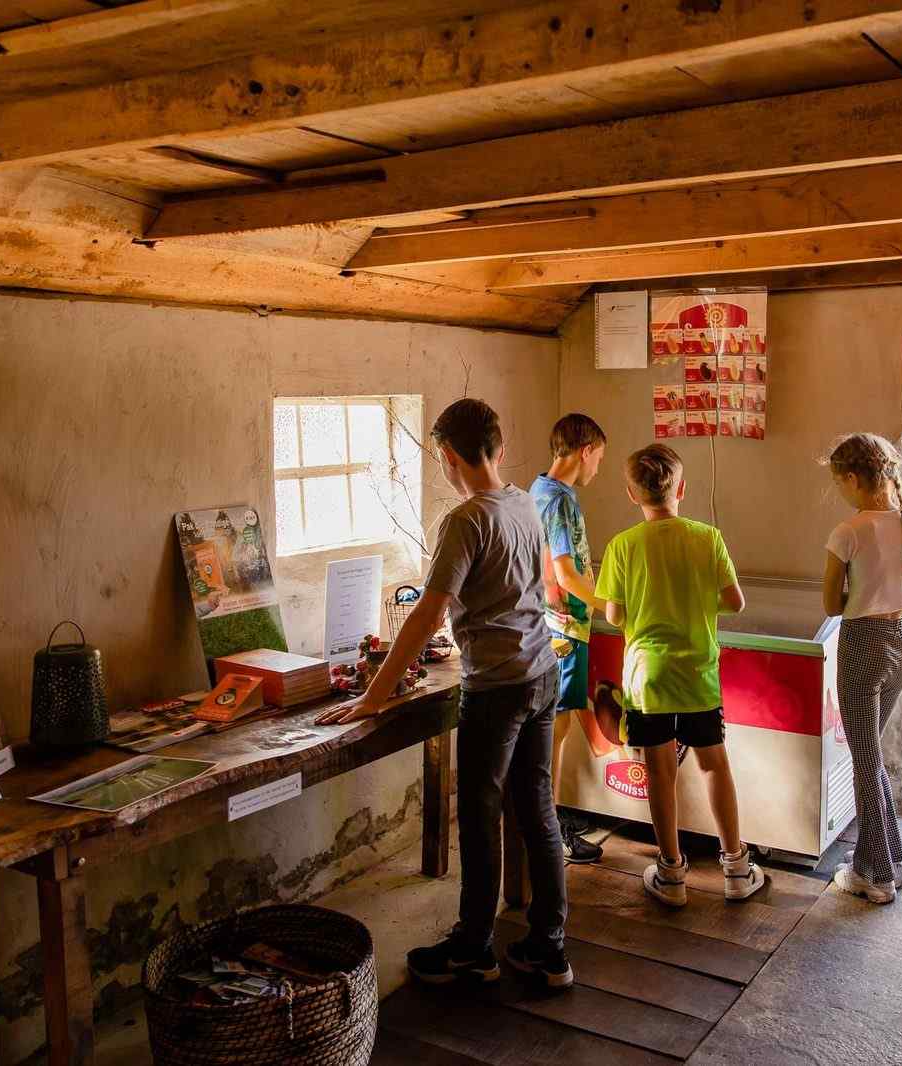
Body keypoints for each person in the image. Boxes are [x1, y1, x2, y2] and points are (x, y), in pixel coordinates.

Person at [317, 398, 571, 988]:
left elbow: (426, 614)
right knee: (537, 810)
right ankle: (549, 947)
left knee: (480, 818)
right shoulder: (524, 504)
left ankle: (473, 950)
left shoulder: (466, 520)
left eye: (442, 460)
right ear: (499, 450)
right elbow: (520, 589)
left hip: (497, 689)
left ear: (449, 456)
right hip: (540, 674)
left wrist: (373, 697)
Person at [594, 443, 766, 906]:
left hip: (647, 679)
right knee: (714, 764)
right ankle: (735, 867)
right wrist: (693, 604)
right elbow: (735, 602)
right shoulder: (707, 537)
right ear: (682, 489)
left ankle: (671, 874)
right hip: (697, 676)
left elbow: (613, 614)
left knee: (659, 771)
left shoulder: (622, 545)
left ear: (632, 494)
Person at [820, 432, 902, 905]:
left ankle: (873, 875)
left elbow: (831, 604)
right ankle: (890, 858)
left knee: (862, 758)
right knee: (869, 753)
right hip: (901, 642)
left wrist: (852, 589)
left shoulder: (849, 531)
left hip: (861, 644)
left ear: (853, 479)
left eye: (839, 482)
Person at [530, 413, 610, 865]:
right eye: (598, 457)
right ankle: (552, 829)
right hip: (564, 629)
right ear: (585, 451)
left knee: (554, 731)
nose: (598, 467)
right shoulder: (560, 500)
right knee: (555, 733)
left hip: (550, 623)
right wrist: (607, 605)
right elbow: (565, 571)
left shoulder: (537, 490)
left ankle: (550, 818)